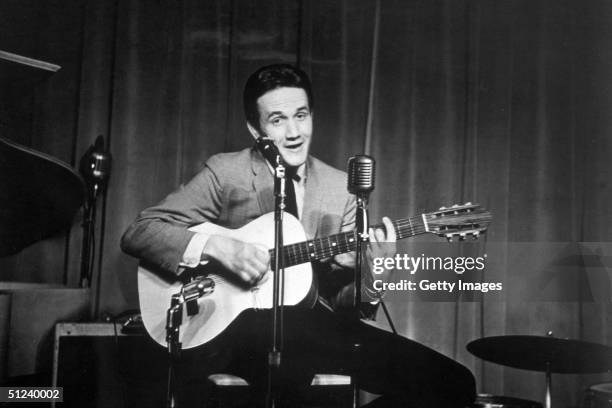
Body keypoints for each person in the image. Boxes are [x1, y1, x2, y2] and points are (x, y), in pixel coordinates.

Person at [121, 64, 476, 407]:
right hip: (232, 332)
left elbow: (344, 304)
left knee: (453, 382)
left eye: (301, 115)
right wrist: (218, 247)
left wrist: (374, 275)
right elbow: (140, 232)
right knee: (290, 365)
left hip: (310, 329)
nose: (294, 132)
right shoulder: (227, 171)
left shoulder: (341, 189)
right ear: (255, 129)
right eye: (278, 120)